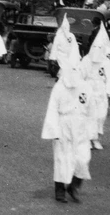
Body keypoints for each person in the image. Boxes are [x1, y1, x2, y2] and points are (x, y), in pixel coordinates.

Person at [41, 53, 96, 203]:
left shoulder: (85, 87)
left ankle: (74, 186)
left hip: (81, 127)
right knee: (62, 158)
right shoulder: (59, 88)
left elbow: (91, 110)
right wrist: (53, 129)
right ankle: (59, 189)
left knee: (83, 158)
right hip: (63, 125)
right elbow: (52, 109)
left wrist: (91, 131)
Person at [80, 27, 110, 150]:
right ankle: (87, 139)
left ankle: (96, 138)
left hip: (101, 91)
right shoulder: (86, 60)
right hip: (88, 89)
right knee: (88, 115)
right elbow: (80, 76)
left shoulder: (105, 62)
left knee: (100, 115)